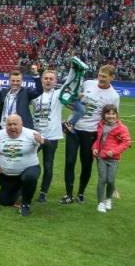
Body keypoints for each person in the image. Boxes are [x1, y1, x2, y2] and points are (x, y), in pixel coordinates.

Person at [61, 65, 120, 204]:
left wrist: (113, 138)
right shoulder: (88, 83)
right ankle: (68, 195)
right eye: (99, 75)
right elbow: (72, 99)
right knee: (69, 162)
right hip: (73, 129)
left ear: (112, 77)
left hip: (91, 133)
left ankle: (81, 194)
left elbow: (112, 118)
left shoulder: (114, 96)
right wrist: (71, 102)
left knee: (86, 164)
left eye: (104, 76)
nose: (101, 79)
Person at [0, 115, 45, 216]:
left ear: (21, 124)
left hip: (29, 168)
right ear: (5, 125)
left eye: (15, 124)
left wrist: (43, 142)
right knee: (4, 202)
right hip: (8, 174)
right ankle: (19, 188)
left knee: (29, 178)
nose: (12, 127)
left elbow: (49, 145)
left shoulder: (31, 134)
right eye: (9, 124)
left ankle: (26, 204)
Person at [31, 69, 64, 203]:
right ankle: (22, 188)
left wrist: (75, 69)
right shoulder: (36, 95)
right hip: (36, 134)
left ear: (55, 82)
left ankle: (43, 192)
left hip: (52, 137)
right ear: (42, 80)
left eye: (51, 79)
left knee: (48, 165)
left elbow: (70, 83)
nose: (48, 81)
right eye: (46, 78)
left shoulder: (58, 94)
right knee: (28, 161)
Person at [92, 105, 131, 213]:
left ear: (116, 115)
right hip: (101, 157)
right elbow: (98, 140)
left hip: (114, 159)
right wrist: (95, 148)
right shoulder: (101, 125)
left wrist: (114, 151)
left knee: (110, 180)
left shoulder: (122, 128)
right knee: (102, 179)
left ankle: (108, 199)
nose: (111, 116)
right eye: (108, 113)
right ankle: (100, 203)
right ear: (104, 115)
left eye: (113, 114)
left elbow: (127, 142)